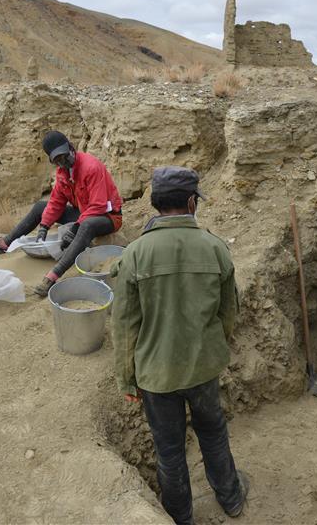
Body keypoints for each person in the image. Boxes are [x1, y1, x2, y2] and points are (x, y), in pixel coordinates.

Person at [111, 166, 248, 525]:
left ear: (156, 204)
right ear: (191, 202)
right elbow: (228, 313)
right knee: (213, 432)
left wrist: (127, 379)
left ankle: (179, 516)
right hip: (203, 366)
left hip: (157, 374)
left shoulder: (135, 254)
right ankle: (231, 498)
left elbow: (125, 325)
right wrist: (216, 347)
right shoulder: (216, 248)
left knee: (169, 449)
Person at [0, 130, 123, 296]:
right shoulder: (63, 173)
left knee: (86, 225)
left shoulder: (91, 167)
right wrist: (44, 225)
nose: (63, 161)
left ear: (71, 147)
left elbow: (99, 206)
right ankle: (5, 243)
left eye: (64, 155)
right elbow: (56, 202)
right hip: (83, 212)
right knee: (40, 207)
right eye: (57, 159)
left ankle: (52, 276)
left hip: (108, 216)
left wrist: (75, 229)